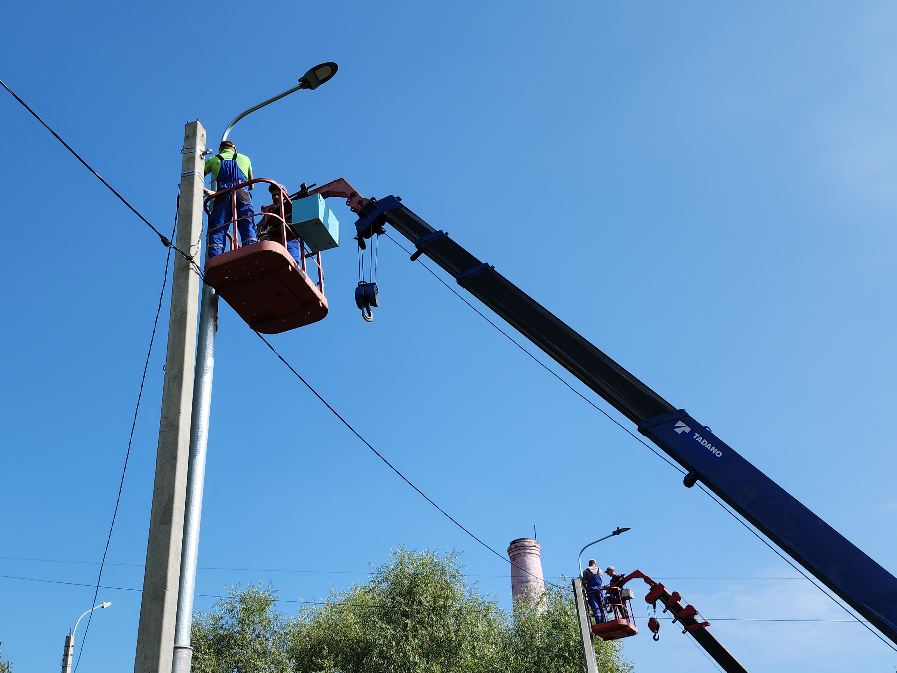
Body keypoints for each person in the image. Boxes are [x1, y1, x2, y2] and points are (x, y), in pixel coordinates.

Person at [204, 141, 258, 258]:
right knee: (246, 223)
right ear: (235, 150)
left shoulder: (213, 159)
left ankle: (215, 257)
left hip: (222, 194)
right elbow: (251, 185)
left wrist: (205, 190)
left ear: (220, 150)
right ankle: (251, 252)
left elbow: (197, 176)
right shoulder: (245, 158)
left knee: (218, 227)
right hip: (241, 192)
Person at [258, 182, 303, 265]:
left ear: (285, 195)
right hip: (275, 242)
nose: (275, 197)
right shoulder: (270, 212)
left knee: (293, 263)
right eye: (273, 195)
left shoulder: (292, 206)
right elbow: (259, 227)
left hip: (290, 238)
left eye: (278, 194)